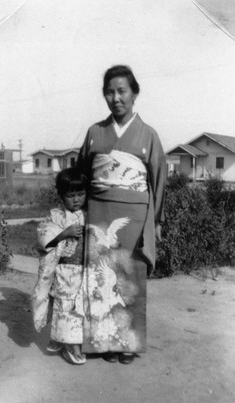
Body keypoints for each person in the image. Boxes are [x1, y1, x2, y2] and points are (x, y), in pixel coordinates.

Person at [77, 64, 167, 364]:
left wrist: (155, 221)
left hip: (135, 212)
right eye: (109, 92)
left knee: (129, 275)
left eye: (122, 91)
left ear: (134, 93)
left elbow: (158, 179)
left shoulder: (148, 135)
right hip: (99, 208)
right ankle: (103, 342)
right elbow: (81, 173)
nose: (115, 98)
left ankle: (127, 343)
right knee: (100, 276)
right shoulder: (94, 133)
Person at [31, 167, 87, 365]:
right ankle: (72, 345)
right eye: (70, 196)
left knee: (78, 305)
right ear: (62, 196)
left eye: (80, 194)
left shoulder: (89, 214)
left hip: (85, 269)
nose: (76, 200)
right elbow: (44, 235)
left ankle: (59, 338)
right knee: (65, 304)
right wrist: (64, 233)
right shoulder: (56, 216)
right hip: (65, 269)